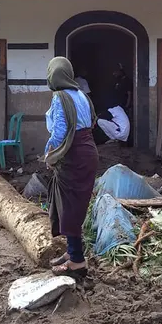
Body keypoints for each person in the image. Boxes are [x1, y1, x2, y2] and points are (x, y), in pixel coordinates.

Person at [43, 57, 99, 279]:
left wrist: (49, 155)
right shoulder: (81, 95)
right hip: (88, 152)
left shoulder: (60, 97)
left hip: (73, 156)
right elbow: (92, 122)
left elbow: (59, 133)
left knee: (69, 207)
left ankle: (77, 261)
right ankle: (72, 252)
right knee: (74, 206)